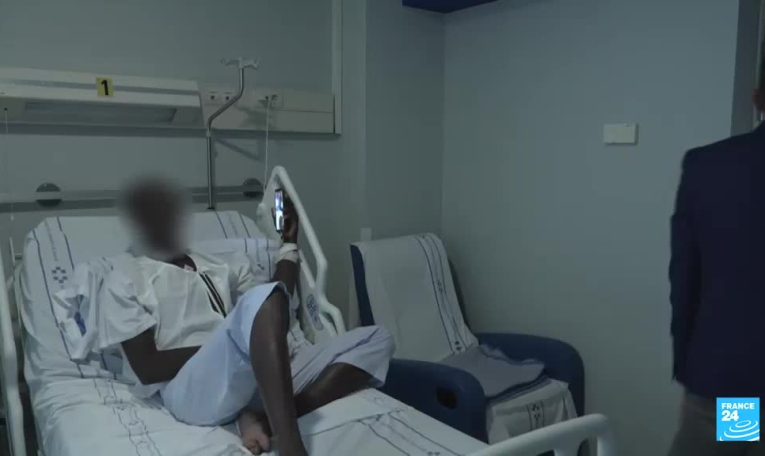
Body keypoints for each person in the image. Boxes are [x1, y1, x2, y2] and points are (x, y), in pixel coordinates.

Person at [104, 178, 394, 456]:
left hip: (250, 375)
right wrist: (251, 343)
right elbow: (148, 368)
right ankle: (291, 447)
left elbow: (274, 302)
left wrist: (289, 243)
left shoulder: (219, 264)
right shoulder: (125, 279)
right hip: (192, 389)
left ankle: (266, 418)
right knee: (256, 305)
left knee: (376, 339)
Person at [668, 62, 765, 454]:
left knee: (734, 447)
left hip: (736, 385)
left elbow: (685, 280)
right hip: (734, 380)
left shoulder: (713, 167)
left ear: (757, 99)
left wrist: (692, 374)